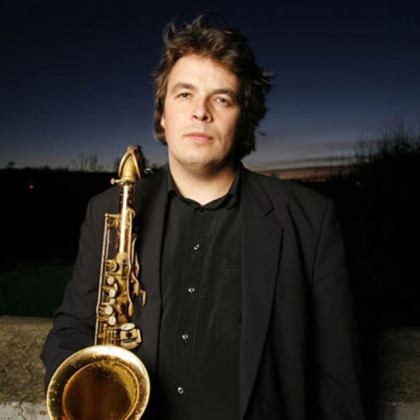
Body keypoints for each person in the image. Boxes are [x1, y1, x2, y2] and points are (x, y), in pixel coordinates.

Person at [41, 15, 366, 420]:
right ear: (162, 114)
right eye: (184, 94)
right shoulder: (108, 210)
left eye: (222, 99)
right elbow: (71, 329)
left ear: (243, 119)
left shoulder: (311, 219)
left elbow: (339, 381)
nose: (200, 112)